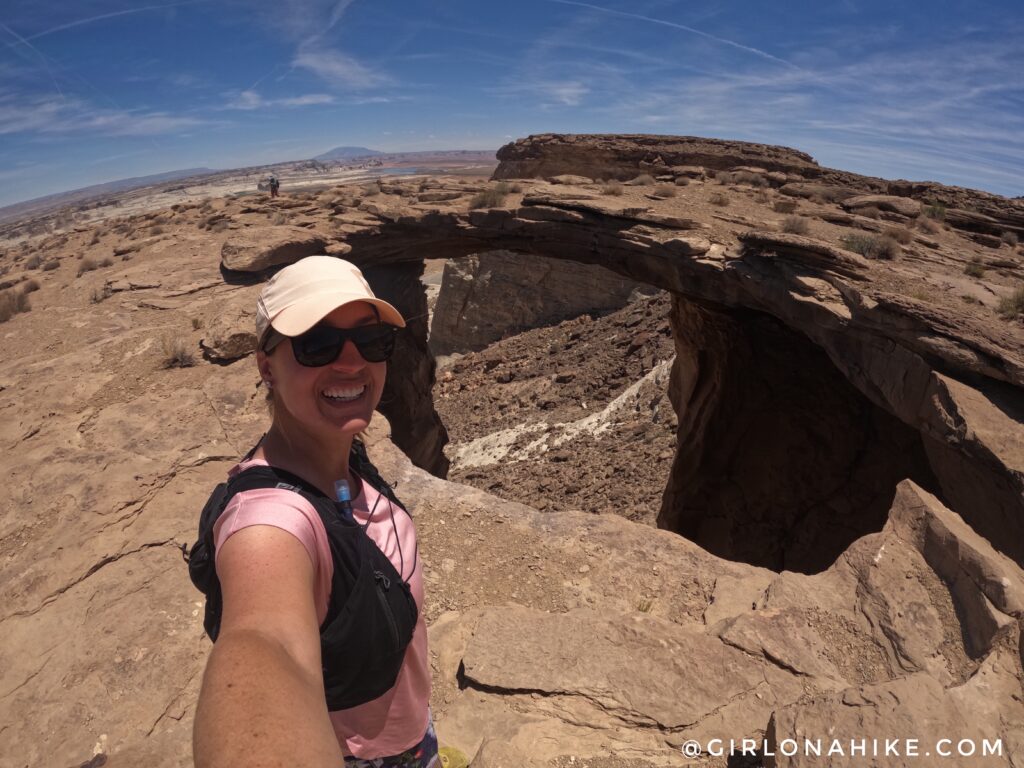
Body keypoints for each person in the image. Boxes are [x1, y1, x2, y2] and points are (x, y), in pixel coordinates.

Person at [192, 256, 435, 768]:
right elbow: (264, 639)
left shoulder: (340, 450)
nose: (352, 363)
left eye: (372, 342)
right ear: (266, 367)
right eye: (317, 344)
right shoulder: (269, 525)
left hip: (411, 735)